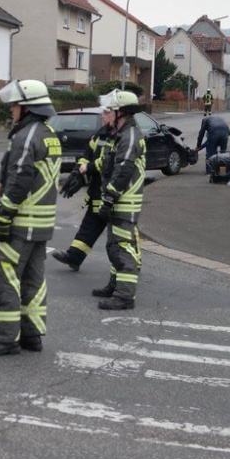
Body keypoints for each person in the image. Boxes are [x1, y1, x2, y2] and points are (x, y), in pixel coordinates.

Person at [0, 79, 61, 356]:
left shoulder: (26, 138)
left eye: (15, 104)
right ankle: (32, 336)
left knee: (4, 278)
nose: (12, 109)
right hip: (41, 225)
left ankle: (5, 339)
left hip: (21, 223)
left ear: (27, 108)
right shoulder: (49, 133)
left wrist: (4, 216)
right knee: (33, 282)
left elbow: (19, 179)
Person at [91, 89, 146, 311]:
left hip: (124, 202)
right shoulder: (122, 134)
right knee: (114, 246)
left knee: (123, 249)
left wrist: (109, 198)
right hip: (119, 201)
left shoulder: (130, 136)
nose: (107, 115)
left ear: (121, 113)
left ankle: (124, 296)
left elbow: (123, 170)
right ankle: (116, 286)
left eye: (111, 111)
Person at [51, 107, 116, 271]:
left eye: (106, 113)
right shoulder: (101, 134)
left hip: (114, 194)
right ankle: (74, 257)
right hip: (98, 191)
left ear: (116, 114)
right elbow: (86, 154)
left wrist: (88, 168)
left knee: (121, 234)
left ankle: (132, 264)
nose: (103, 116)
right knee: (89, 225)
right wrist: (77, 172)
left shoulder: (120, 137)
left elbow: (109, 162)